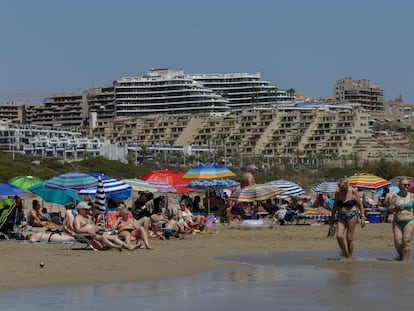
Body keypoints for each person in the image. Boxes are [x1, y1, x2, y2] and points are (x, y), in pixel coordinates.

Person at [73, 201, 137, 251]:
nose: (88, 211)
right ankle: (116, 247)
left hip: (96, 232)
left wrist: (103, 228)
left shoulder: (88, 217)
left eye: (88, 209)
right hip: (88, 235)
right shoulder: (77, 218)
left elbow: (94, 226)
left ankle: (128, 246)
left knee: (114, 237)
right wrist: (88, 230)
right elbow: (77, 229)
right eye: (86, 209)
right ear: (80, 210)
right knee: (104, 237)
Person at [330, 177, 366, 260]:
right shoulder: (338, 192)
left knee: (349, 237)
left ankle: (350, 256)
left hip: (352, 216)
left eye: (343, 189)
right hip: (341, 216)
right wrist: (332, 217)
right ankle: (344, 252)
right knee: (339, 236)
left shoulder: (353, 191)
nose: (342, 190)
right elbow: (335, 205)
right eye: (340, 189)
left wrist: (362, 217)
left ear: (347, 186)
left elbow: (360, 205)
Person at [389, 178, 414, 261]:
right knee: (398, 241)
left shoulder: (412, 196)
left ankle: (405, 261)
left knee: (406, 240)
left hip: (409, 220)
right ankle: (402, 256)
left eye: (408, 185)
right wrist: (395, 208)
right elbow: (390, 209)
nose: (407, 186)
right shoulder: (394, 196)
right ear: (400, 186)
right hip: (397, 221)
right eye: (405, 185)